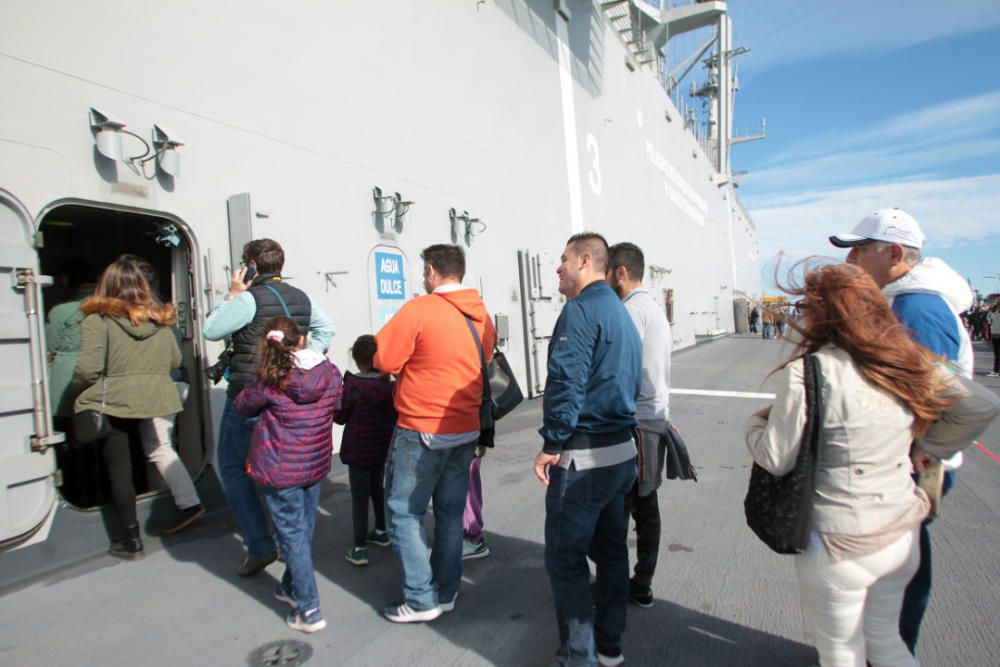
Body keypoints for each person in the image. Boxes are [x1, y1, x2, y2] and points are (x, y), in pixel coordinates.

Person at [744, 262, 998, 667]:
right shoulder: (906, 358)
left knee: (841, 652)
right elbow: (983, 405)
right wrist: (929, 446)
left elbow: (776, 457)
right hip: (900, 529)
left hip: (838, 541)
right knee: (885, 640)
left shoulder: (810, 372)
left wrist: (754, 426)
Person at [829, 208, 973, 653]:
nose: (850, 258)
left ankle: (887, 652)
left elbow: (932, 399)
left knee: (898, 568)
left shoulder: (918, 307)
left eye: (858, 248)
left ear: (893, 252)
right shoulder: (907, 299)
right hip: (906, 460)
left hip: (910, 464)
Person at [534, 232, 641, 667]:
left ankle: (578, 656)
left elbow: (566, 383)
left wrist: (551, 443)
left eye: (562, 260)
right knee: (613, 551)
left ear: (584, 260)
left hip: (585, 457)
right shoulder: (621, 312)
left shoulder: (579, 311)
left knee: (566, 557)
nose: (557, 268)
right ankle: (609, 645)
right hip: (620, 454)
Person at [375, 244, 497, 623]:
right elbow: (486, 359)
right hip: (464, 430)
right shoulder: (481, 315)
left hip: (421, 427)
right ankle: (446, 591)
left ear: (430, 271)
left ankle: (420, 597)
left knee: (404, 512)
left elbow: (383, 360)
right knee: (448, 514)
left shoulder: (418, 310)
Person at [203, 238, 336, 576]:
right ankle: (294, 548)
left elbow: (210, 328)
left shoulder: (248, 299)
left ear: (251, 266)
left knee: (233, 468)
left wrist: (233, 292)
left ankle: (261, 545)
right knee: (294, 468)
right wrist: (301, 362)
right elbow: (327, 329)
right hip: (287, 399)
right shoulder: (302, 297)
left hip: (249, 397)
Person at [234, 316, 343, 633]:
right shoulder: (329, 371)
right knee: (303, 531)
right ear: (301, 340)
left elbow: (243, 405)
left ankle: (309, 610)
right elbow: (337, 405)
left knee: (293, 536)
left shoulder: (271, 378)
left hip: (280, 468)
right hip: (315, 464)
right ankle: (289, 586)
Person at [71, 256, 183, 558]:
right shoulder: (160, 319)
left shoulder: (98, 320)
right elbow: (174, 361)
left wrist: (75, 389)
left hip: (114, 402)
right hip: (153, 398)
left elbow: (88, 369)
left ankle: (129, 539)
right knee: (153, 451)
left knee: (119, 468)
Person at [607, 242, 681, 609]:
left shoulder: (631, 311)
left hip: (635, 423)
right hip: (654, 419)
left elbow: (619, 371)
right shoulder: (652, 308)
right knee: (646, 505)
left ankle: (620, 586)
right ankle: (642, 582)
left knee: (621, 509)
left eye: (607, 272)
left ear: (620, 272)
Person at [128, 255, 204, 534]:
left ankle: (189, 503)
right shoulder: (162, 309)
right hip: (177, 382)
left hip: (160, 387)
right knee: (162, 442)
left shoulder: (137, 314)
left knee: (158, 447)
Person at [333, 334, 396, 566]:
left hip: (358, 449)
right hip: (380, 447)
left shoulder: (352, 386)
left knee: (359, 497)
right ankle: (381, 530)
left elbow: (339, 417)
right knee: (377, 489)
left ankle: (359, 547)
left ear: (356, 359)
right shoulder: (389, 387)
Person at [988, 303, 1000, 377]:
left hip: (996, 333)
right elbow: (988, 320)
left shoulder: (993, 311)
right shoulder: (992, 311)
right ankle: (996, 370)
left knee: (998, 354)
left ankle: (996, 370)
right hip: (994, 333)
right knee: (997, 354)